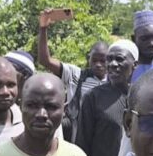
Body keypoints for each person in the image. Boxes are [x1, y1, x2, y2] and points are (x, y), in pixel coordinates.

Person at [38, 9, 108, 142]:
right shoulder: (76, 76)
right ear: (88, 58)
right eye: (95, 60)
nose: (98, 65)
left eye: (103, 61)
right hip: (77, 140)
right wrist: (43, 29)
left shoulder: (114, 82)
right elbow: (45, 60)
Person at [75, 40, 138, 156]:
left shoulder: (141, 97)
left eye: (119, 59)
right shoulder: (93, 97)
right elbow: (82, 144)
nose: (113, 64)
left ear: (134, 65)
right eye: (109, 59)